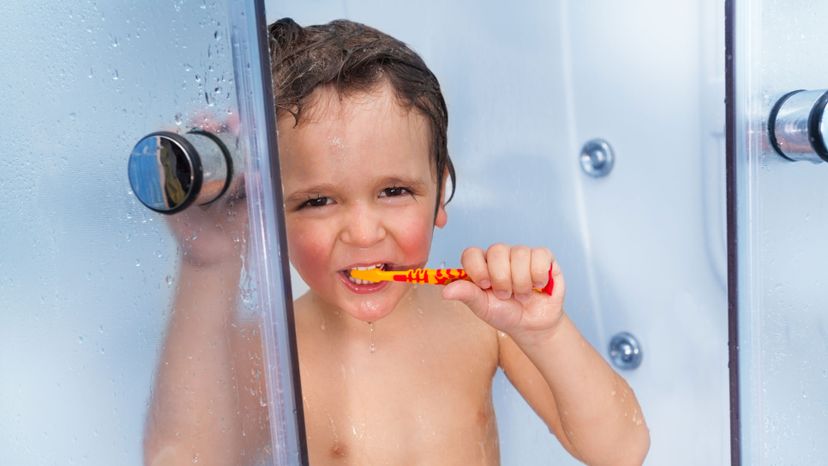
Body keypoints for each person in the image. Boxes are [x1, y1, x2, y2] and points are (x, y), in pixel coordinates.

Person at [144, 18, 649, 466]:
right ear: (271, 214)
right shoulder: (272, 350)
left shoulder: (482, 319)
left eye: (394, 191)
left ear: (440, 195)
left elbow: (621, 451)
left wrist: (544, 331)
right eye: (317, 201)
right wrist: (207, 266)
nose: (364, 233)